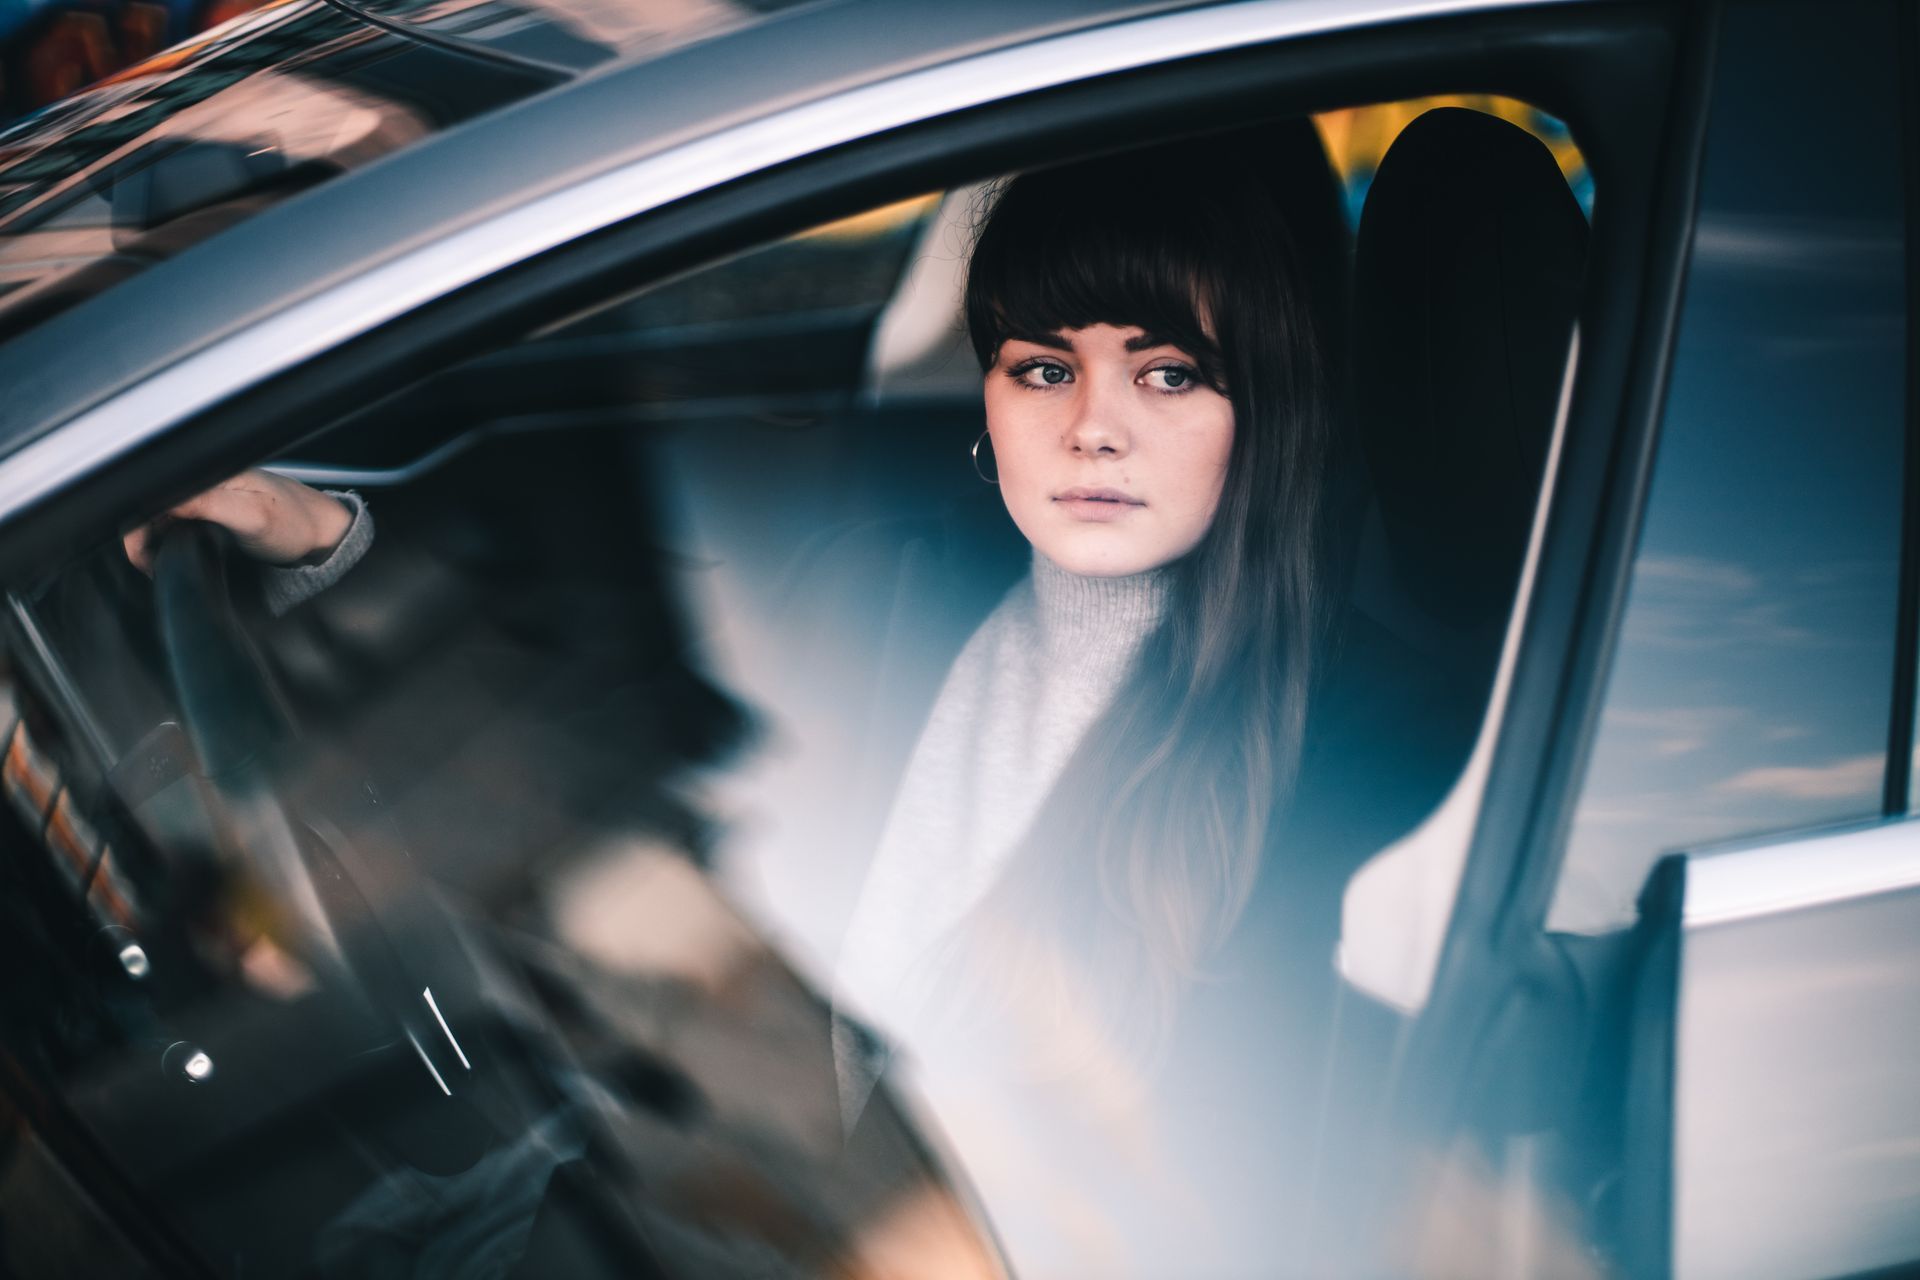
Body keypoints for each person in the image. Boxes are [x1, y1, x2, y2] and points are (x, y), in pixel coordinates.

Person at [126, 127, 1340, 1273]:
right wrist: (310, 534)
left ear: (1264, 402)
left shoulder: (1314, 783)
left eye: (1171, 372)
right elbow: (610, 784)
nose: (1091, 430)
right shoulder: (896, 588)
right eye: (1043, 367)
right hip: (718, 1170)